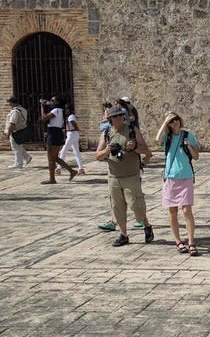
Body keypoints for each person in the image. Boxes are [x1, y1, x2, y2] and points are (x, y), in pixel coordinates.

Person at [95, 106, 154, 246]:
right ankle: (123, 234)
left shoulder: (132, 130)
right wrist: (107, 150)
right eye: (114, 117)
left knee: (136, 205)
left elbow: (146, 150)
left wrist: (134, 148)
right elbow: (97, 155)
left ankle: (146, 225)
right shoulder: (106, 134)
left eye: (120, 116)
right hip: (114, 176)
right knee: (117, 207)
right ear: (109, 119)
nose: (118, 118)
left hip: (131, 175)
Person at [156, 112, 199, 256]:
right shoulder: (167, 137)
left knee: (187, 210)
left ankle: (191, 242)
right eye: (171, 121)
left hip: (186, 176)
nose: (174, 122)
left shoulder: (188, 135)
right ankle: (178, 241)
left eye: (176, 119)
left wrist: (189, 146)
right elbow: (157, 139)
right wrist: (164, 122)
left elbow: (196, 156)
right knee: (172, 211)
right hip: (170, 177)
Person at [40, 96, 77, 184]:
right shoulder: (59, 111)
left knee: (50, 158)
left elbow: (44, 118)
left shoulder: (56, 110)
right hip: (56, 133)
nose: (51, 101)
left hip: (54, 134)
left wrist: (42, 106)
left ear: (57, 102)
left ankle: (52, 179)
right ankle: (71, 171)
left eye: (53, 100)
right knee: (54, 157)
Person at [56, 104, 85, 176]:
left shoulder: (71, 116)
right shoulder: (71, 116)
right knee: (76, 152)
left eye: (67, 109)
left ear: (69, 110)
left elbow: (73, 123)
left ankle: (58, 168)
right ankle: (81, 168)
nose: (65, 111)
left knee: (63, 151)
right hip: (73, 134)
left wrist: (77, 129)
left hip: (71, 134)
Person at [4, 97, 32, 169]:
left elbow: (12, 124)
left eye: (9, 102)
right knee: (18, 146)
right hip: (21, 130)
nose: (9, 104)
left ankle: (18, 163)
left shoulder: (15, 112)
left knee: (16, 147)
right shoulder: (23, 110)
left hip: (16, 131)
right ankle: (27, 157)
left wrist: (8, 133)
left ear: (13, 103)